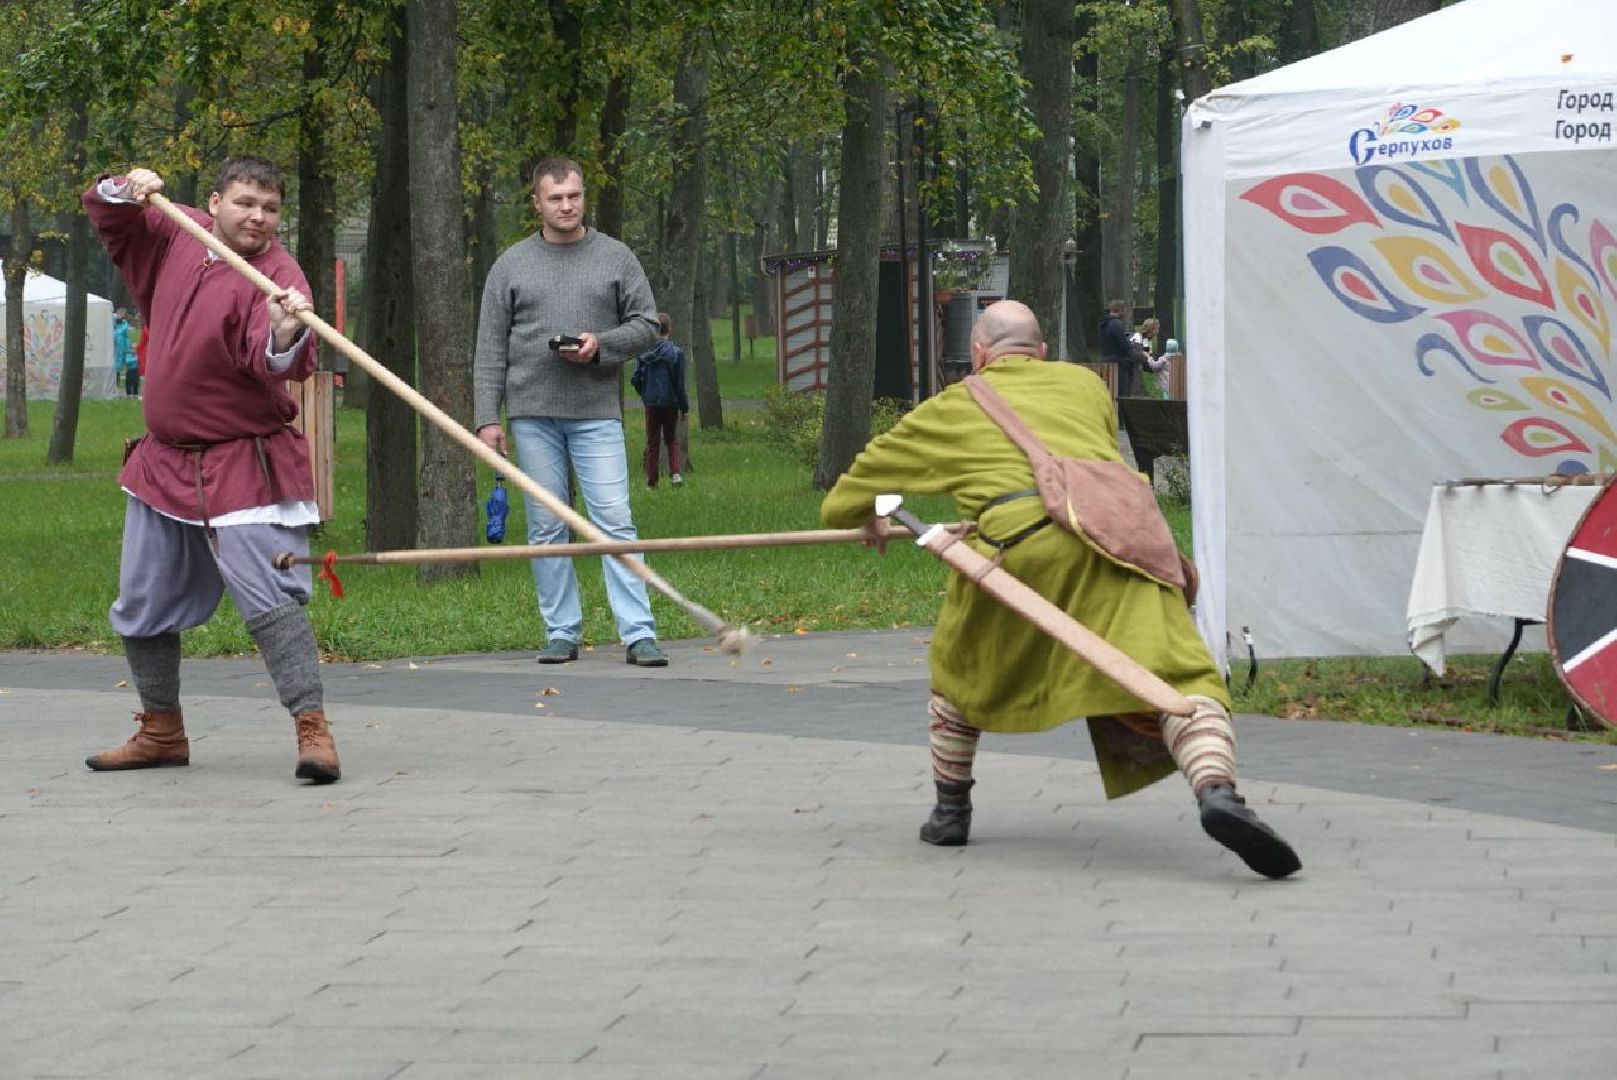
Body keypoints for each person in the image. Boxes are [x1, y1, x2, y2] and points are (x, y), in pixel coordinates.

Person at [820, 300, 1300, 879]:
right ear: (1042, 351)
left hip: (1023, 553)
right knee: (1179, 680)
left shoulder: (952, 406)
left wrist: (869, 517)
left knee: (957, 669)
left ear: (978, 354)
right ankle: (1218, 792)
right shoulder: (1085, 385)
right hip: (1128, 546)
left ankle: (951, 813)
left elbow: (844, 498)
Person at [81, 158, 341, 785]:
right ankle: (161, 730)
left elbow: (274, 361)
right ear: (217, 200)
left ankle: (314, 729)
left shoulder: (277, 273)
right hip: (164, 463)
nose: (257, 217)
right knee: (142, 600)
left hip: (242, 463)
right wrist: (129, 185)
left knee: (268, 596)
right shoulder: (179, 229)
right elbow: (110, 216)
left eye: (270, 208)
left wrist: (283, 331)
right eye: (246, 203)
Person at [474, 156, 668, 667]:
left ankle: (638, 633)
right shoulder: (510, 264)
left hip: (596, 410)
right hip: (531, 413)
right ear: (536, 202)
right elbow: (490, 347)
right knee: (546, 524)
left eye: (574, 196)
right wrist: (486, 419)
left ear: (584, 198)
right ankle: (561, 631)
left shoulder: (616, 257)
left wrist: (599, 344)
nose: (566, 205)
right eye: (555, 198)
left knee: (615, 522)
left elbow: (649, 324)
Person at [630, 312, 689, 488]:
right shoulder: (676, 353)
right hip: (670, 402)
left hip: (651, 403)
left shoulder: (645, 353)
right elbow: (679, 382)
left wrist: (644, 393)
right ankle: (676, 473)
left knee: (652, 441)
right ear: (669, 329)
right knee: (671, 439)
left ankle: (652, 481)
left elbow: (635, 378)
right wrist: (683, 406)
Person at [1099, 299, 1145, 398]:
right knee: (1122, 393)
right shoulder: (1116, 324)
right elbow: (1123, 345)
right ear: (1119, 310)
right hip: (1119, 364)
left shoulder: (1104, 324)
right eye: (1124, 311)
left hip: (1106, 360)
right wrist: (1136, 357)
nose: (1125, 314)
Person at [113, 308, 139, 397]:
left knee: (130, 369)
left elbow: (128, 338)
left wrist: (131, 349)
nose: (120, 316)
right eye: (119, 314)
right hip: (116, 351)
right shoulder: (114, 324)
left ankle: (132, 391)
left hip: (124, 350)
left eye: (122, 314)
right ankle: (116, 388)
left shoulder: (125, 326)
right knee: (116, 370)